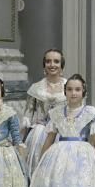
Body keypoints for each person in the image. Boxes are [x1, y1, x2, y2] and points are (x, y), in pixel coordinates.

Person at [20, 49, 68, 177]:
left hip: (62, 134)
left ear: (61, 65)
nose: (52, 65)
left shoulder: (70, 87)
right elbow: (27, 117)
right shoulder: (36, 88)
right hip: (39, 135)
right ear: (44, 65)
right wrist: (20, 143)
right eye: (48, 61)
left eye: (56, 61)